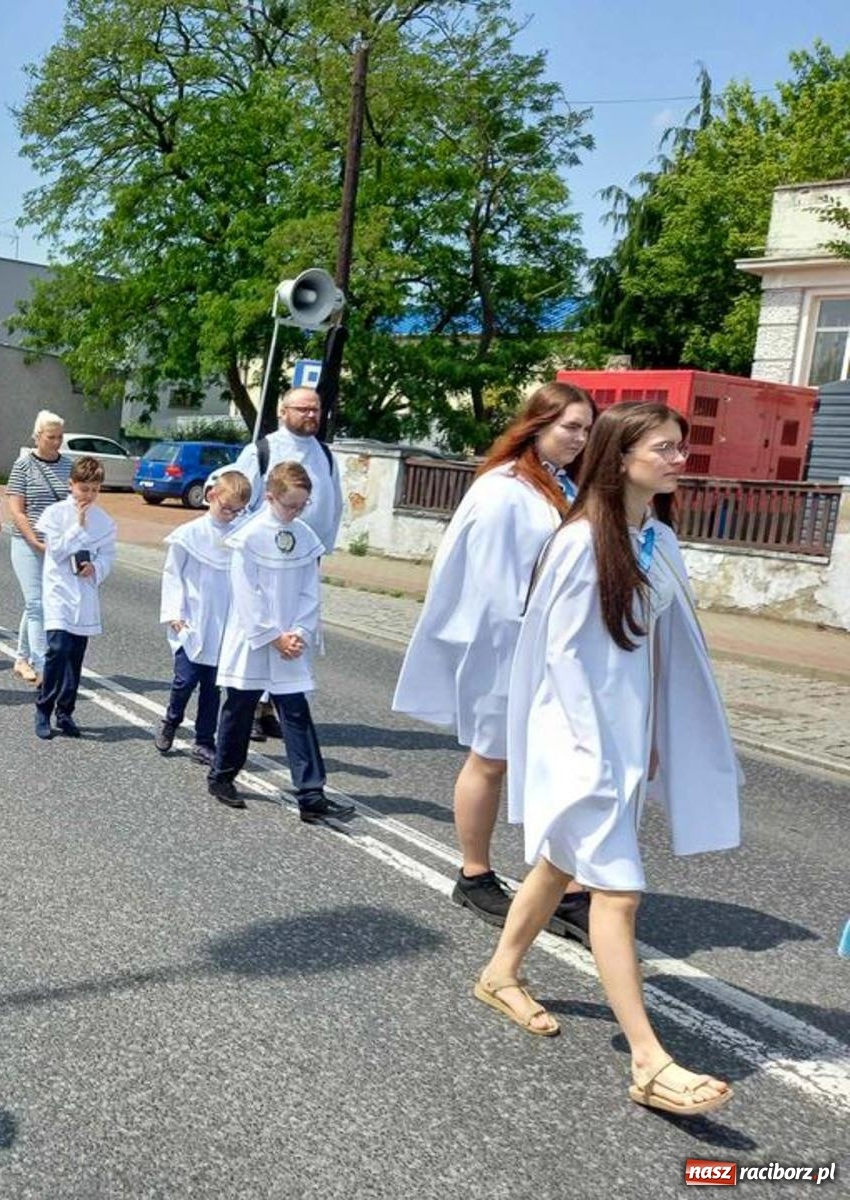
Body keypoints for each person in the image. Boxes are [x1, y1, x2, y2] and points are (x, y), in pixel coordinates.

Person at [473, 402, 738, 1118]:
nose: (679, 457)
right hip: (577, 743)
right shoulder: (579, 541)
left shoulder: (653, 538)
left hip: (620, 740)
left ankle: (501, 972)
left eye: (682, 446)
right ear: (622, 458)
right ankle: (650, 1062)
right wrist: (592, 750)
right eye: (665, 447)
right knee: (615, 892)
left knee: (558, 865)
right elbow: (556, 657)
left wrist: (650, 731)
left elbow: (652, 648)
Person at [392, 381, 596, 939]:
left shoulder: (566, 484)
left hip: (557, 650)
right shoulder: (504, 489)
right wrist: (530, 645)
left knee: (558, 765)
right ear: (538, 425)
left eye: (585, 429)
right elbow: (488, 585)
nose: (579, 438)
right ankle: (475, 873)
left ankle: (566, 887)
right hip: (507, 647)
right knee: (492, 759)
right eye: (569, 427)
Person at [207, 462, 355, 822]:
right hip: (256, 642)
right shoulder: (248, 536)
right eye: (289, 505)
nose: (295, 512)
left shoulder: (304, 536)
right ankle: (222, 776)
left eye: (302, 505)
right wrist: (273, 636)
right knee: (240, 709)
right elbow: (247, 596)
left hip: (291, 643)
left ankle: (311, 793)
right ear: (270, 497)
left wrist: (300, 633)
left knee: (296, 714)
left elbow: (309, 591)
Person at [229, 386, 344, 743]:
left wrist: (323, 546)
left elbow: (334, 502)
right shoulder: (262, 450)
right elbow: (239, 498)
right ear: (283, 411)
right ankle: (248, 707)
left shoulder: (324, 454)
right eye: (303, 409)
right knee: (262, 630)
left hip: (305, 557)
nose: (311, 416)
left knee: (293, 629)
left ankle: (270, 709)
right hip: (264, 558)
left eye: (316, 409)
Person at [155, 470, 250, 765]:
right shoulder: (190, 534)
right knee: (185, 680)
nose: (230, 515)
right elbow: (173, 574)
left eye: (237, 511)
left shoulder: (241, 536)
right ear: (211, 497)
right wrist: (174, 612)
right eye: (226, 507)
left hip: (225, 625)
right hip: (193, 620)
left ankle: (204, 740)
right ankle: (171, 720)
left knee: (213, 687)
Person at [33, 456, 117, 740]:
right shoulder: (56, 513)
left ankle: (65, 711)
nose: (89, 495)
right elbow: (55, 551)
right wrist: (78, 526)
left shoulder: (104, 520)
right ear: (71, 485)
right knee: (57, 649)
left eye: (94, 490)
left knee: (75, 655)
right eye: (84, 489)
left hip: (84, 593)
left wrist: (97, 567)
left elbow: (107, 554)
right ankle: (43, 708)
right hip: (59, 589)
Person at [5, 410, 72, 685]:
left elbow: (72, 505)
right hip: (27, 541)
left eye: (59, 437)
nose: (56, 442)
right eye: (51, 437)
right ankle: (42, 663)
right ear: (37, 436)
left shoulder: (68, 466)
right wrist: (34, 540)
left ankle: (21, 657)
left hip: (56, 544)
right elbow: (17, 510)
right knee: (36, 603)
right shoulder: (23, 465)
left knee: (39, 603)